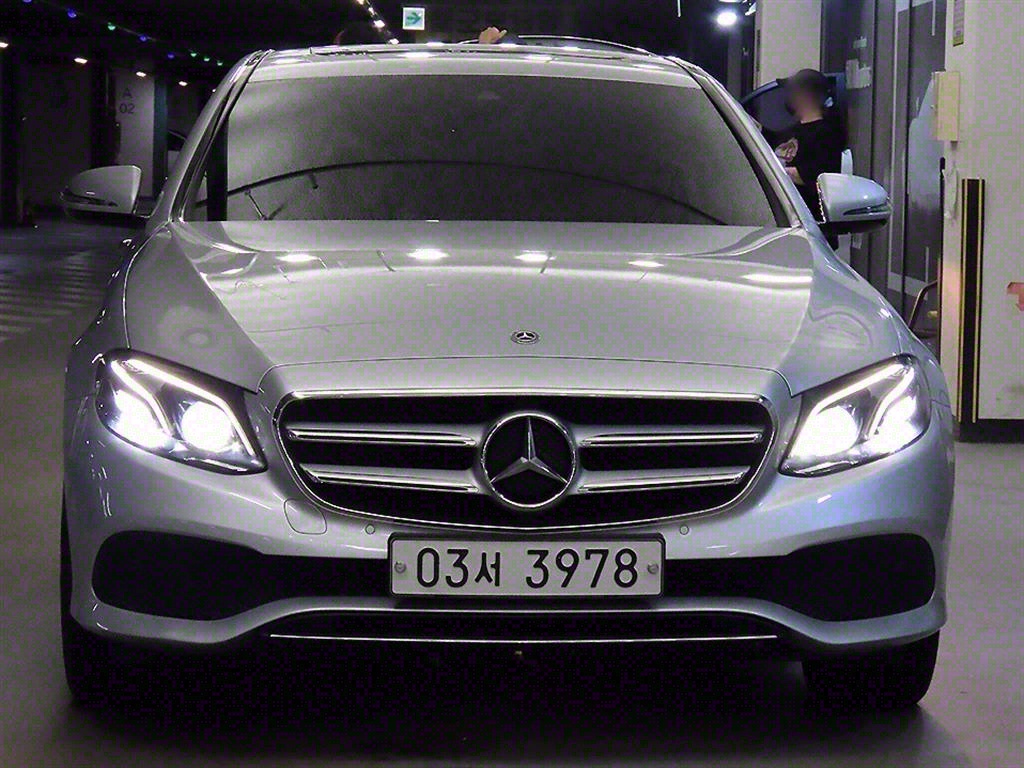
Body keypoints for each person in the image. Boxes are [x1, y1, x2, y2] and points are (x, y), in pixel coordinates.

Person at [764, 69, 845, 219]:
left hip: (805, 219)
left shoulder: (826, 134)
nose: (789, 97)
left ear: (806, 96)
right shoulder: (796, 129)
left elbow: (815, 176)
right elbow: (771, 140)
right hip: (783, 216)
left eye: (793, 91)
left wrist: (774, 171)